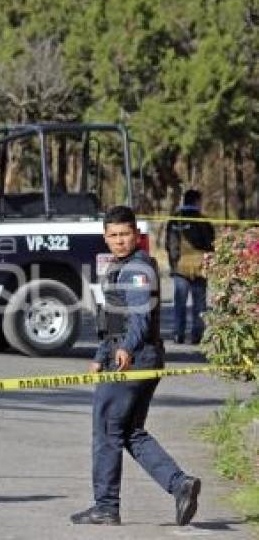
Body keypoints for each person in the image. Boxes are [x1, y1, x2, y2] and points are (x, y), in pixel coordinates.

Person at [71, 205, 201, 526]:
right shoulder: (120, 267)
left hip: (133, 359)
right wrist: (101, 357)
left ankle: (106, 506)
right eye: (113, 235)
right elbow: (115, 320)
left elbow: (140, 317)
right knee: (130, 432)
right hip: (129, 355)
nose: (119, 241)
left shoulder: (136, 270)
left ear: (137, 236)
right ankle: (179, 485)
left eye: (125, 234)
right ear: (105, 237)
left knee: (106, 431)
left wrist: (125, 349)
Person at [166, 189, 214, 344]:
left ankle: (178, 334)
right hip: (199, 267)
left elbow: (170, 244)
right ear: (197, 201)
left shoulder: (174, 220)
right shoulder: (203, 221)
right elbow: (210, 244)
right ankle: (197, 335)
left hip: (180, 267)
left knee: (180, 302)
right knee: (199, 303)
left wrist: (174, 263)